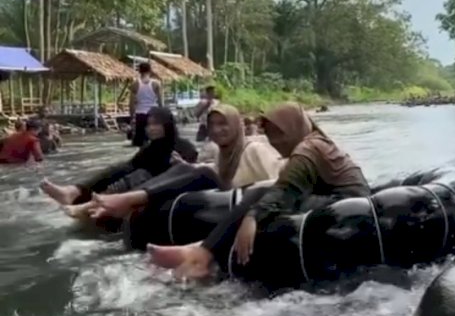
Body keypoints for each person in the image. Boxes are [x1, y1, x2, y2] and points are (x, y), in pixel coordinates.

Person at [147, 102, 371, 280]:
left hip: (346, 203)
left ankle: (201, 257)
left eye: (280, 133)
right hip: (340, 199)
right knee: (263, 198)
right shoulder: (315, 141)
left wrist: (252, 216)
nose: (275, 142)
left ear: (295, 127)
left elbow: (284, 189)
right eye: (271, 135)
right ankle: (200, 249)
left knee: (259, 194)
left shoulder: (308, 148)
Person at [86, 104, 285, 220]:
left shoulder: (255, 150)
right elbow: (211, 170)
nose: (216, 130)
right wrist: (187, 166)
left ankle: (125, 200)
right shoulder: (222, 155)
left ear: (236, 125)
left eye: (223, 124)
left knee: (202, 173)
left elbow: (278, 184)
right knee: (190, 169)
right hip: (224, 205)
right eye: (212, 125)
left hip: (247, 208)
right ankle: (113, 200)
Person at [40, 107, 198, 218]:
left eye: (156, 124)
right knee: (120, 168)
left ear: (168, 125)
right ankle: (74, 192)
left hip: (157, 190)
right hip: (137, 188)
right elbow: (127, 168)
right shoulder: (149, 148)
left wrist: (181, 164)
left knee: (140, 175)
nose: (151, 128)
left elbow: (192, 173)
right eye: (149, 124)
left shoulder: (185, 147)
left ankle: (88, 205)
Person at [130, 62, 163, 147]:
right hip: (153, 113)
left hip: (140, 114)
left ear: (139, 71)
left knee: (142, 142)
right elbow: (160, 102)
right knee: (155, 139)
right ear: (150, 71)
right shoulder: (156, 84)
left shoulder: (135, 84)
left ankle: (144, 157)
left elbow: (131, 104)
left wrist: (132, 118)